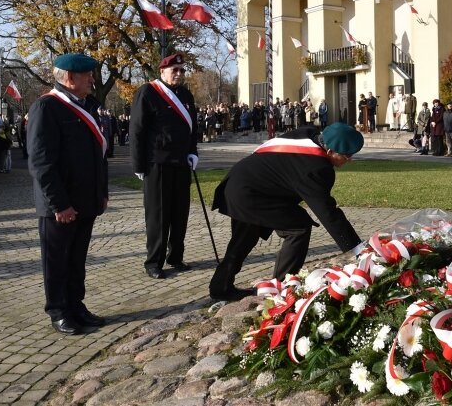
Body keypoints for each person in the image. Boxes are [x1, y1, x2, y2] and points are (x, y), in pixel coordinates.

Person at [208, 122, 365, 301]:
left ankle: (220, 287)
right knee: (298, 228)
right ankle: (282, 286)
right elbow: (329, 214)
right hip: (250, 192)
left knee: (244, 239)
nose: (350, 160)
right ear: (329, 151)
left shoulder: (309, 135)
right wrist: (357, 250)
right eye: (347, 155)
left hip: (243, 184)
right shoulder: (316, 168)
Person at [27, 52, 108, 335]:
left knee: (76, 259)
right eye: (87, 75)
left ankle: (76, 305)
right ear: (69, 78)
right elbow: (41, 162)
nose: (92, 79)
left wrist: (102, 192)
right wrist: (59, 204)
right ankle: (59, 310)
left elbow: (99, 155)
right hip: (60, 206)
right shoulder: (47, 108)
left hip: (85, 201)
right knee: (57, 260)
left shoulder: (87, 107)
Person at [130, 53, 199, 280]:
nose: (178, 74)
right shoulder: (148, 92)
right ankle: (154, 261)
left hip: (181, 163)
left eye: (181, 70)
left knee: (180, 214)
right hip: (156, 163)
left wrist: (193, 152)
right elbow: (137, 131)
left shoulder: (186, 95)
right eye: (174, 70)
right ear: (162, 72)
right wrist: (139, 165)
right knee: (159, 215)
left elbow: (192, 129)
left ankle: (176, 257)